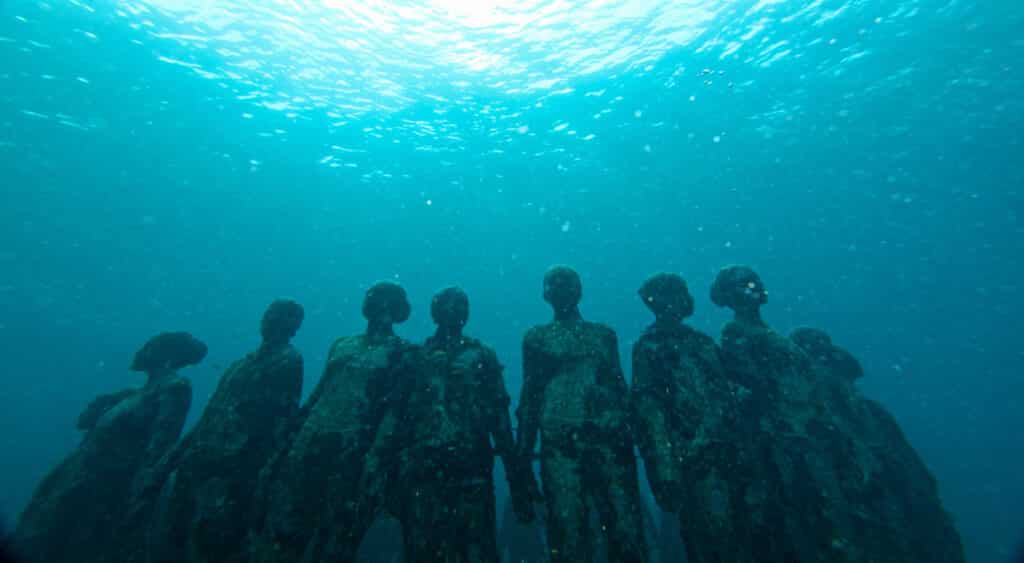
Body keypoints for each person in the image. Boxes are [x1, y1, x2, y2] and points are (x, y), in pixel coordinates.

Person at [253, 282, 418, 563]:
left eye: (391, 302)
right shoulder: (342, 344)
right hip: (308, 446)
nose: (383, 307)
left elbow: (394, 412)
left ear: (399, 309)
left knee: (336, 541)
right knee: (283, 533)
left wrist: (374, 461)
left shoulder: (404, 351)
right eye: (378, 300)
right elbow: (318, 394)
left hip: (352, 454)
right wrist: (286, 445)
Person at [13, 332, 206, 563]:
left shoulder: (173, 388)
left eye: (152, 345)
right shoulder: (133, 394)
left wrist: (138, 497)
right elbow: (85, 424)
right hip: (80, 479)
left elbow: (160, 446)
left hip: (104, 488)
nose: (142, 349)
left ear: (168, 354)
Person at [712, 265, 857, 562]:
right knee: (809, 515)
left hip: (808, 433)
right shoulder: (736, 332)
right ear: (730, 296)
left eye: (756, 280)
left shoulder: (770, 334)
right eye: (745, 284)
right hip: (784, 437)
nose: (756, 286)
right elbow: (750, 385)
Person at [146, 300, 305, 563]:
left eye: (279, 316)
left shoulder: (289, 361)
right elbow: (210, 414)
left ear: (293, 326)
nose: (269, 320)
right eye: (269, 314)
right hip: (198, 464)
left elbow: (283, 420)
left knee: (212, 544)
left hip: (235, 469)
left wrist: (265, 474)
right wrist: (171, 460)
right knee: (171, 540)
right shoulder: (239, 365)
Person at [792, 327, 966, 563]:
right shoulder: (813, 424)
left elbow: (914, 478)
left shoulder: (872, 417)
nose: (842, 384)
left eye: (843, 377)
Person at [514, 266, 648, 563]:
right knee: (568, 533)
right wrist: (522, 457)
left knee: (624, 530)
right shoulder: (536, 338)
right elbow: (531, 396)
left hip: (609, 442)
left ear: (579, 290)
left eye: (567, 284)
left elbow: (618, 386)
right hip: (561, 445)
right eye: (554, 284)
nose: (561, 290)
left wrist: (637, 438)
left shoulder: (603, 335)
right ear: (546, 293)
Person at [398, 287, 532, 562]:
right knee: (422, 548)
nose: (459, 310)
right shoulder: (415, 357)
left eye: (463, 304)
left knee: (477, 546)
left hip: (472, 465)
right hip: (423, 467)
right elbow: (401, 420)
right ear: (435, 311)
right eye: (451, 304)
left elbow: (500, 417)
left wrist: (516, 478)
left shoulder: (482, 355)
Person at [630, 273, 748, 563]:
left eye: (681, 293)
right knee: (708, 535)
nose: (681, 300)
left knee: (742, 532)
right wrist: (665, 467)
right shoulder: (649, 347)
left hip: (726, 451)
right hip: (690, 456)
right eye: (672, 294)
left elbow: (725, 394)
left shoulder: (704, 343)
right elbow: (648, 411)